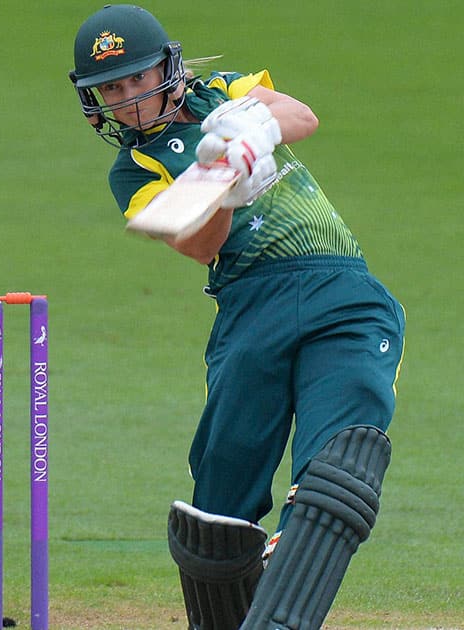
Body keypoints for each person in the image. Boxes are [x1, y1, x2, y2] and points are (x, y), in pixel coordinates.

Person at [70, 6, 405, 629]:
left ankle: (285, 608)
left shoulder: (220, 93)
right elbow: (197, 244)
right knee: (219, 507)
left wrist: (248, 131)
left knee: (339, 466)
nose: (128, 99)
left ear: (166, 69)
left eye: (137, 79)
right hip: (251, 305)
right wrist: (227, 183)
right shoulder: (134, 171)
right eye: (111, 89)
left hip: (342, 290)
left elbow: (301, 116)